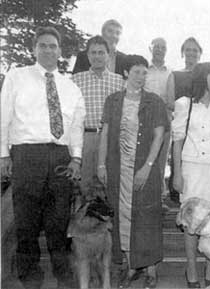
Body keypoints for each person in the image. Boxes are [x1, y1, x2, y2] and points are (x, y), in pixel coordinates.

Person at [0, 26, 85, 289]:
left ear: (60, 51)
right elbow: (4, 116)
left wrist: (77, 159)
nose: (48, 50)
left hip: (60, 157)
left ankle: (63, 276)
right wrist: (3, 154)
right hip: (27, 155)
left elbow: (76, 127)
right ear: (34, 49)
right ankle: (30, 278)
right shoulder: (17, 77)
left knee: (59, 222)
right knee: (26, 223)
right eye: (43, 45)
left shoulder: (71, 87)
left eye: (53, 46)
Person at [97, 55, 169, 288]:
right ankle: (130, 267)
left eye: (144, 72)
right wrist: (101, 164)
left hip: (143, 169)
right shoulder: (113, 101)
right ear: (126, 73)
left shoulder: (155, 101)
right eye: (137, 72)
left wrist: (148, 167)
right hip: (118, 170)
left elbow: (159, 137)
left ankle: (150, 270)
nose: (141, 77)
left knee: (147, 217)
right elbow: (105, 134)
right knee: (122, 217)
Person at [172, 62, 210, 288]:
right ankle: (191, 271)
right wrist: (176, 174)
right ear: (202, 77)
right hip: (191, 169)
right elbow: (176, 142)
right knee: (191, 223)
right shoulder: (184, 104)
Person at [72, 35, 124, 193]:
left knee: (110, 184)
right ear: (87, 56)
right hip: (85, 138)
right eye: (93, 53)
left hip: (111, 139)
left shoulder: (120, 81)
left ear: (108, 55)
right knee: (84, 186)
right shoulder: (75, 80)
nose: (97, 56)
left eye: (101, 52)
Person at [167, 37, 202, 203]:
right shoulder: (175, 75)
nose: (191, 53)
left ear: (200, 54)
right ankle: (177, 196)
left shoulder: (205, 75)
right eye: (188, 49)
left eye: (195, 50)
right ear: (182, 53)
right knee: (179, 158)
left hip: (201, 126)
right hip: (182, 125)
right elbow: (169, 101)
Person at [144, 37, 172, 202]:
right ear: (151, 48)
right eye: (156, 47)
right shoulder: (143, 69)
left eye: (163, 47)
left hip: (164, 120)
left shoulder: (170, 72)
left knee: (161, 159)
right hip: (145, 119)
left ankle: (158, 197)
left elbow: (171, 99)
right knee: (145, 157)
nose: (159, 49)